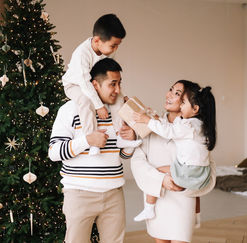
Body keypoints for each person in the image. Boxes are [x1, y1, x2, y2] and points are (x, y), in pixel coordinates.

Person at [49, 58, 137, 243]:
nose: (118, 90)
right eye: (112, 84)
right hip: (79, 194)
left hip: (114, 193)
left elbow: (123, 155)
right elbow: (54, 152)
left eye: (119, 83)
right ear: (94, 84)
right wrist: (87, 140)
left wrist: (130, 140)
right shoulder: (69, 110)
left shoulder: (119, 110)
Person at [130, 80, 217, 243]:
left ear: (194, 106)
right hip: (159, 198)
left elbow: (207, 166)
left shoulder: (185, 127)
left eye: (178, 95)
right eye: (171, 90)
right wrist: (161, 180)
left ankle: (190, 214)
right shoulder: (156, 126)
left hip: (183, 198)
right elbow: (137, 159)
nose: (170, 95)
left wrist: (149, 120)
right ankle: (150, 208)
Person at [62, 13, 142, 156]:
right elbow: (85, 84)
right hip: (75, 85)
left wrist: (121, 95)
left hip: (95, 84)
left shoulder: (107, 52)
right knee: (85, 101)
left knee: (118, 98)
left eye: (118, 45)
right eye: (113, 45)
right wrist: (99, 106)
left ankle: (120, 136)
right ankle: (92, 138)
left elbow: (109, 73)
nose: (115, 49)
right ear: (97, 40)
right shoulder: (82, 54)